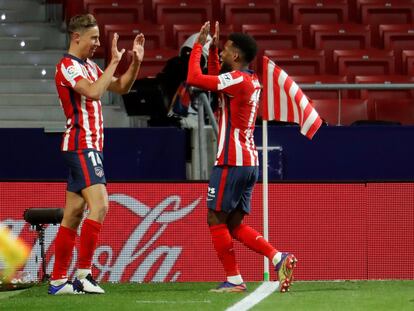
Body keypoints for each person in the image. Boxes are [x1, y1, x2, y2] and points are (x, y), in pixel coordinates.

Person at [186, 22, 297, 293]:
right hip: (249, 162)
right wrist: (213, 51)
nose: (223, 53)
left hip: (231, 161)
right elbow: (216, 80)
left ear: (236, 55)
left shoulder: (237, 80)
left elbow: (195, 79)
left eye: (225, 50)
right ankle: (278, 257)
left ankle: (234, 279)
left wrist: (198, 45)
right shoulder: (249, 80)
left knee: (214, 217)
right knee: (233, 224)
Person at [49, 13, 144, 295]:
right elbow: (92, 92)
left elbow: (122, 87)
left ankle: (57, 282)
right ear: (76, 37)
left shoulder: (89, 65)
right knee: (100, 205)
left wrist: (135, 62)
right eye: (93, 38)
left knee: (74, 214)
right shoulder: (67, 66)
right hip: (81, 144)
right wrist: (114, 62)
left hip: (90, 146)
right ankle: (84, 274)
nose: (97, 43)